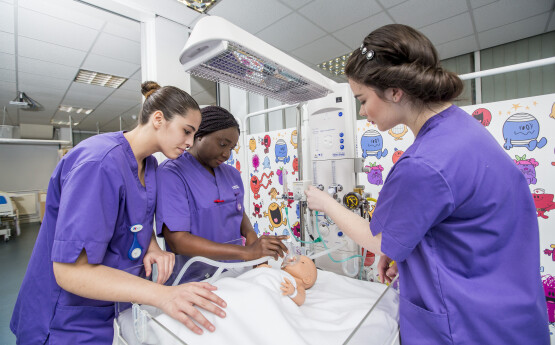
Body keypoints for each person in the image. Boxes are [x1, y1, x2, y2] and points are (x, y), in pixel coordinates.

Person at [304, 24, 549, 344]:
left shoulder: (424, 163)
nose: (363, 113)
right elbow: (462, 225)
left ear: (394, 90)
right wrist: (403, 253)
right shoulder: (463, 131)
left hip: (468, 326)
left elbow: (376, 239)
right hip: (510, 313)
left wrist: (325, 202)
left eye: (362, 100)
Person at [10, 81, 227, 344]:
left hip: (112, 307)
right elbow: (71, 272)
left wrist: (153, 247)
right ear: (158, 119)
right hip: (66, 319)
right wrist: (162, 296)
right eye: (186, 131)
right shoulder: (99, 163)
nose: (190, 142)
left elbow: (138, 220)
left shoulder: (150, 167)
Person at [155, 105, 288, 280]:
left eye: (231, 148)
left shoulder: (231, 174)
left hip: (234, 272)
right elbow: (178, 241)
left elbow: (238, 212)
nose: (227, 154)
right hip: (193, 279)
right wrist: (247, 252)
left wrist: (253, 240)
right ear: (199, 135)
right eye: (223, 144)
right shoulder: (172, 173)